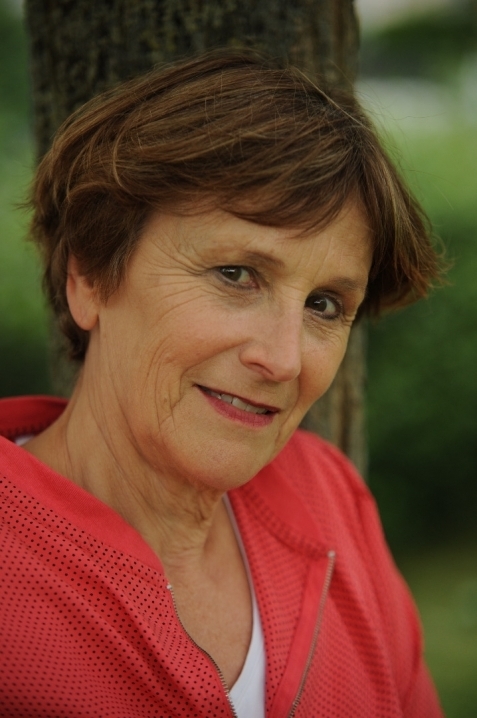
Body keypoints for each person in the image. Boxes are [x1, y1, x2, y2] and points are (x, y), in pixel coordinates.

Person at [0, 50, 444, 717]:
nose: (283, 359)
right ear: (89, 276)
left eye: (324, 305)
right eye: (236, 275)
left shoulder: (328, 497)